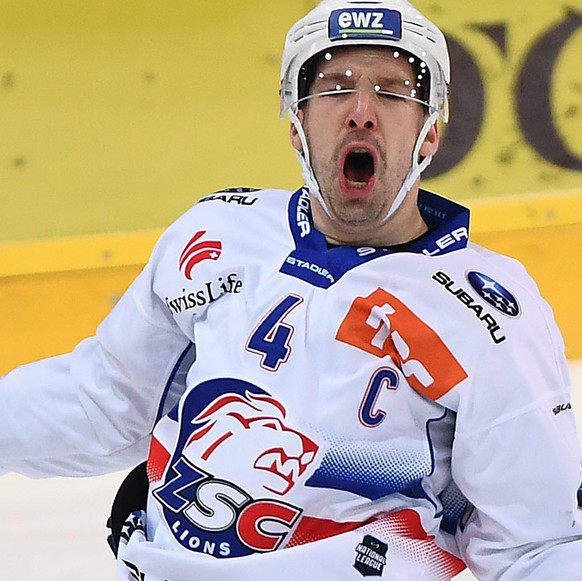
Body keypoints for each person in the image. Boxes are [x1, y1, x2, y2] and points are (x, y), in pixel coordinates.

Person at [1, 0, 581, 579]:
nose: (361, 112)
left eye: (392, 90)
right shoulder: (217, 235)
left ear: (429, 133)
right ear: (296, 125)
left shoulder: (489, 314)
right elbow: (108, 400)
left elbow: (535, 544)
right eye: (333, 87)